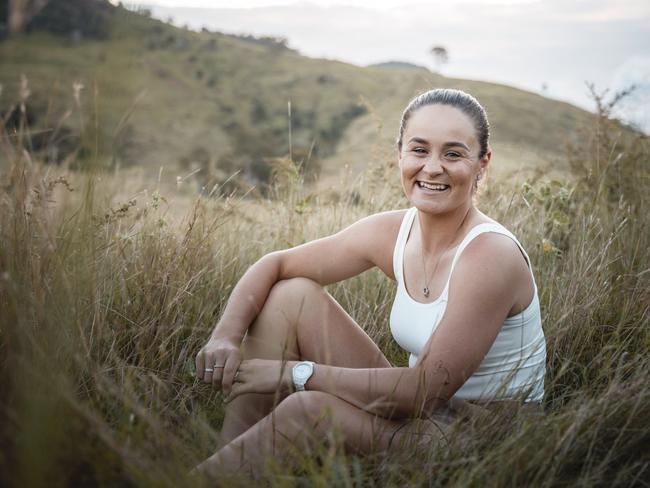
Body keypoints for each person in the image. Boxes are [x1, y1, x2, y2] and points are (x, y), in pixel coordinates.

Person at [192, 88, 547, 477]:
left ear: (482, 164)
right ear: (399, 155)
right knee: (290, 294)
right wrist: (225, 336)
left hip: (478, 437)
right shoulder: (392, 231)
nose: (432, 168)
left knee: (306, 409)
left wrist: (295, 374)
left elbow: (425, 391)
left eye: (453, 153)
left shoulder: (490, 256)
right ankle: (232, 458)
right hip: (420, 412)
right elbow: (276, 263)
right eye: (419, 150)